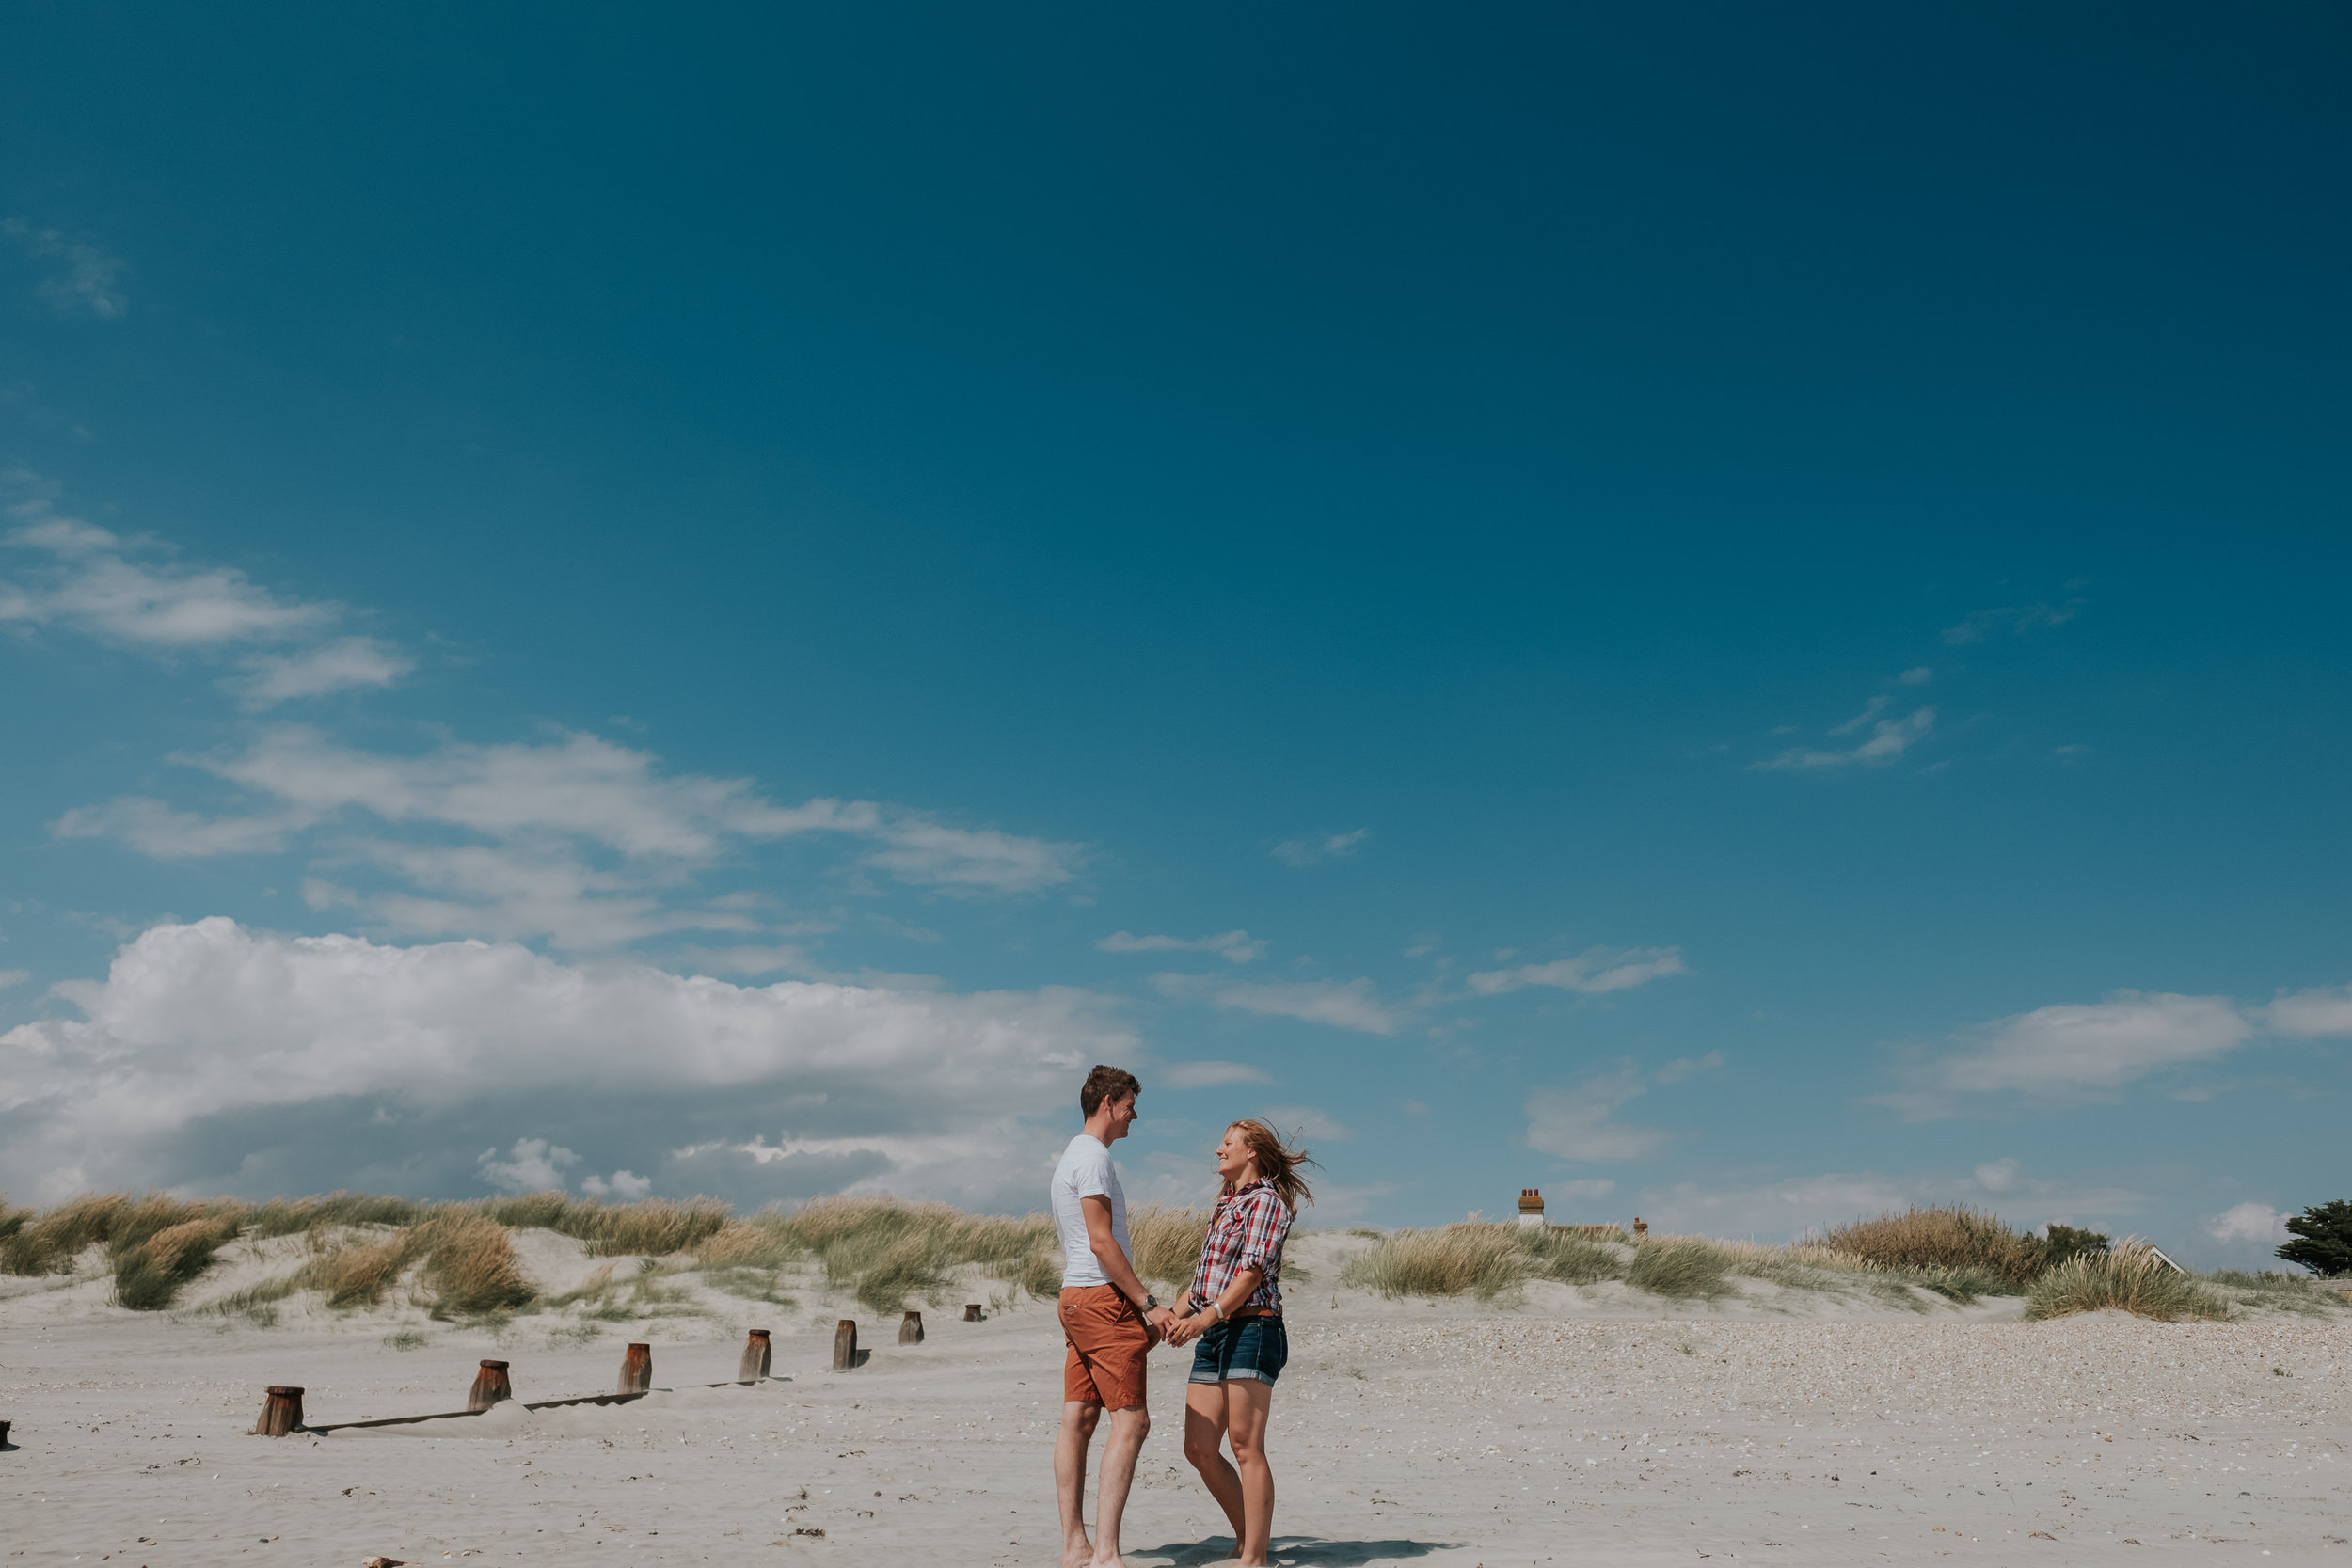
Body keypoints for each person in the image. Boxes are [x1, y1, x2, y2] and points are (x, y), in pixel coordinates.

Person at [1164, 1119, 1314, 1568]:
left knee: (1246, 1445)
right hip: (1217, 1331)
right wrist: (1167, 1323)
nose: (1217, 1150)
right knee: (1200, 1448)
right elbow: (1201, 1284)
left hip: (1254, 1328)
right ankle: (1250, 1536)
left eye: (1227, 1143)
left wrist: (1205, 1318)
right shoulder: (1225, 1204)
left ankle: (1255, 1557)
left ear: (1251, 1152)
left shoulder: (1267, 1202)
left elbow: (1250, 1275)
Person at [1052, 1064, 1179, 1568]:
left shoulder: (1070, 1155)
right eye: (1129, 1105)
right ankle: (1105, 1553)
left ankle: (1075, 1547)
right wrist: (1148, 1303)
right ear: (1108, 1102)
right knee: (1132, 1421)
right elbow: (1101, 1241)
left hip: (1075, 1299)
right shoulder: (1095, 1158)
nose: (1134, 1114)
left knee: (1079, 1418)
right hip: (1101, 1298)